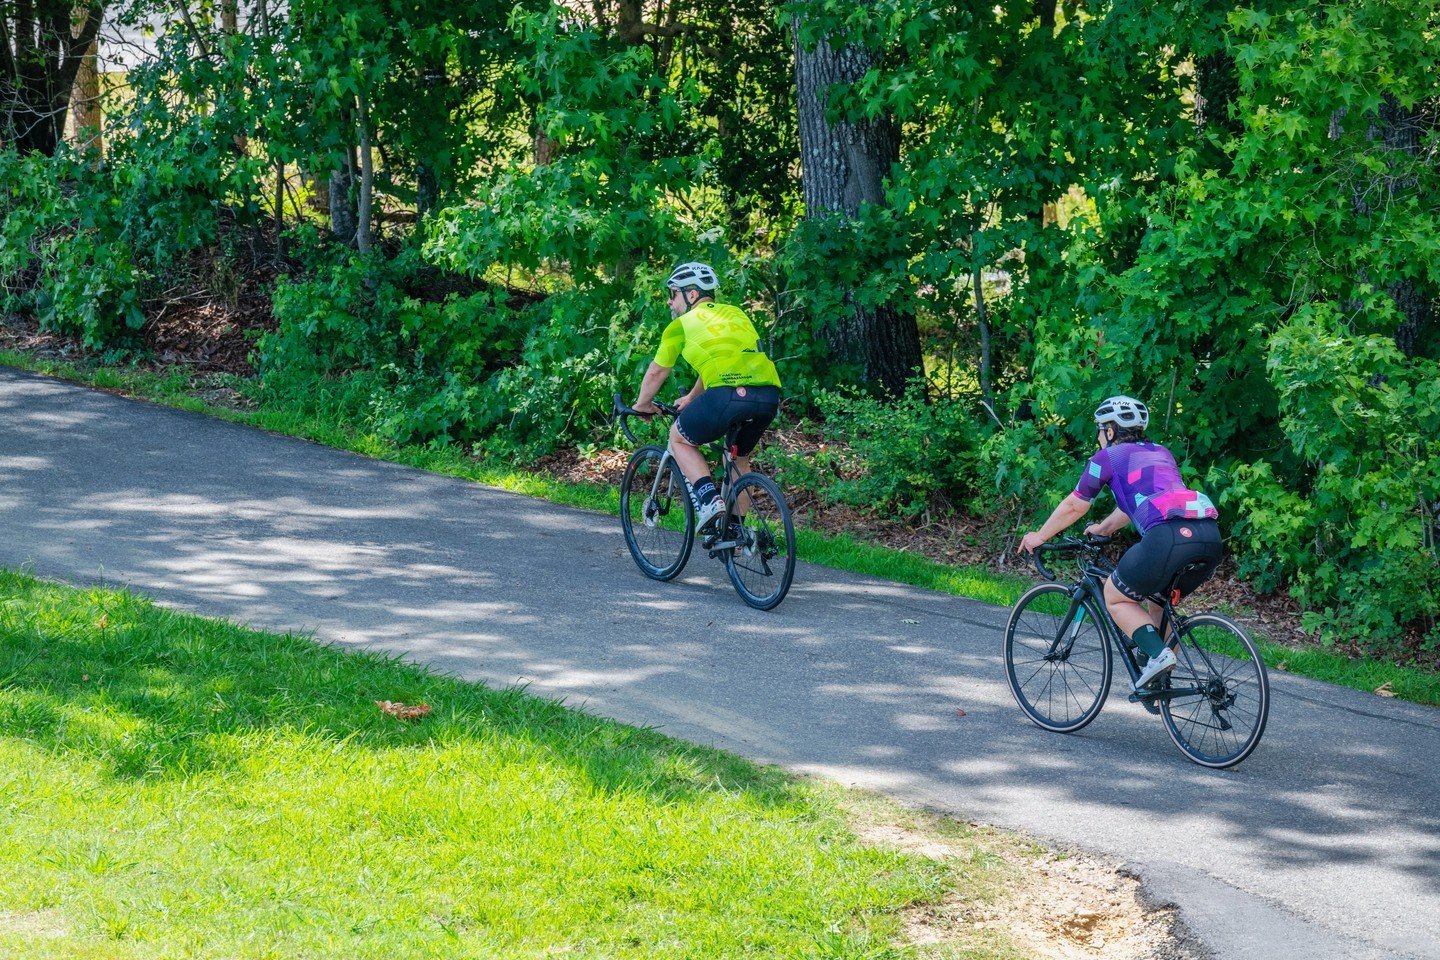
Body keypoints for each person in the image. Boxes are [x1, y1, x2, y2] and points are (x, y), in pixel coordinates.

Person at [1018, 396, 1223, 691]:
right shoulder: (1160, 452)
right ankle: (1161, 683)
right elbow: (1137, 502)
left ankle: (1158, 656)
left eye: (1100, 431)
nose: (1099, 437)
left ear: (1110, 431)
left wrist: (1040, 536)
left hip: (1167, 538)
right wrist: (1103, 528)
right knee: (1158, 601)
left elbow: (1076, 505)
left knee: (1115, 595)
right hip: (1208, 535)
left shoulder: (1107, 458)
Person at [632, 262, 782, 534]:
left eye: (674, 293)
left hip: (727, 395)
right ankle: (735, 532)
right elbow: (724, 361)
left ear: (691, 295)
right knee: (739, 460)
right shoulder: (736, 314)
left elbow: (657, 372)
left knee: (679, 439)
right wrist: (691, 396)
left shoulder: (682, 325)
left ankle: (710, 500)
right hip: (768, 395)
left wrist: (642, 405)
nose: (670, 301)